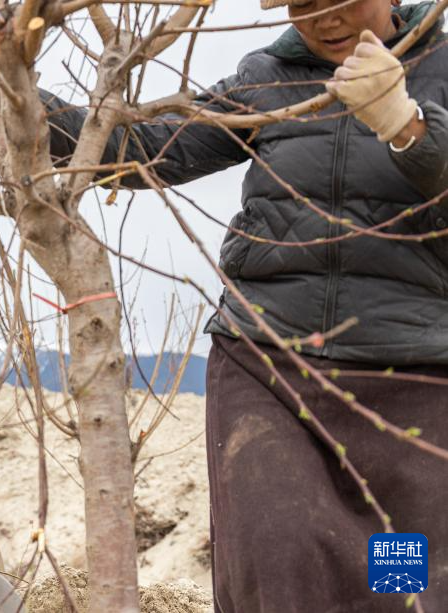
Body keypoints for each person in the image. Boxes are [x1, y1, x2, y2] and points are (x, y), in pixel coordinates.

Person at [45, 1, 448, 611]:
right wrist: (20, 103)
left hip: (411, 375)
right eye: (305, 5)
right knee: (274, 557)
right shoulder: (266, 77)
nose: (326, 20)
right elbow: (150, 147)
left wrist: (407, 126)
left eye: (340, 0)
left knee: (400, 584)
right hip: (268, 363)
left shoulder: (442, 66)